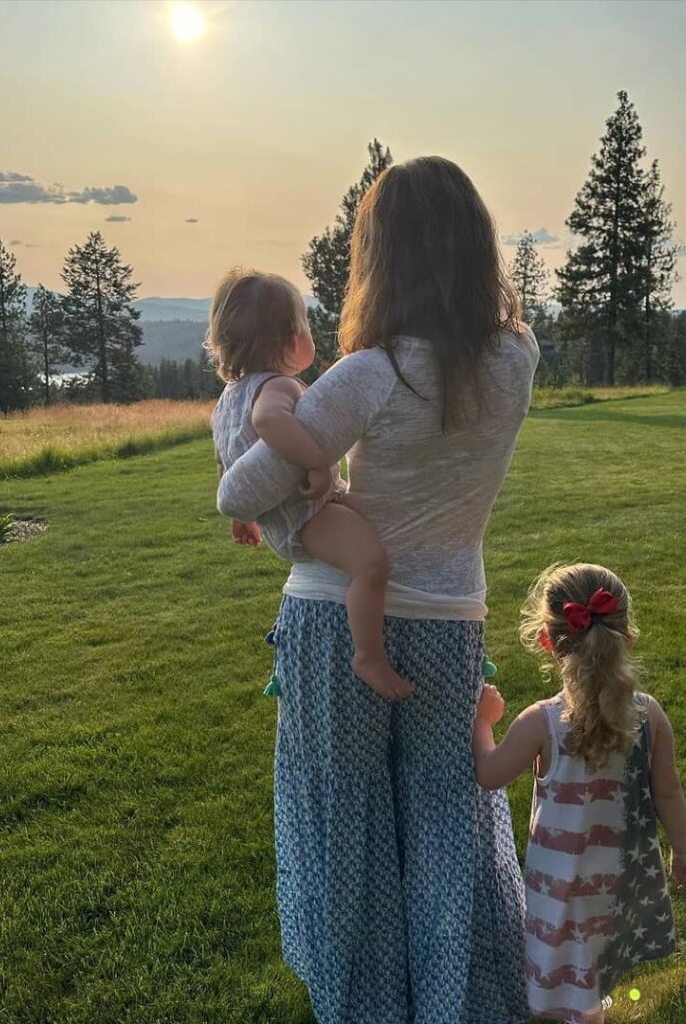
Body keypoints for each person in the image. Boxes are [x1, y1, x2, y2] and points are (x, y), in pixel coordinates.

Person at [216, 156, 539, 1023]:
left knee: (343, 825)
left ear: (379, 258)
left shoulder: (371, 372)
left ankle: (362, 1005)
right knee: (447, 817)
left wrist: (301, 477)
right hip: (448, 618)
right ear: (476, 246)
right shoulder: (518, 359)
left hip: (333, 618)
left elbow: (238, 492)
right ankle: (458, 1003)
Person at [473, 562, 686, 1024]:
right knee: (589, 972)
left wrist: (483, 721)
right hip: (613, 883)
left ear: (547, 641)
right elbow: (669, 793)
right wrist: (683, 850)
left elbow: (490, 774)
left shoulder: (541, 722)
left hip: (557, 889)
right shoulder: (648, 715)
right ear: (627, 639)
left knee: (550, 981)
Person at [208, 269, 412, 700]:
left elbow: (226, 460)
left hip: (281, 519)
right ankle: (368, 656)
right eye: (303, 323)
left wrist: (241, 518)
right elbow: (269, 421)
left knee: (371, 531)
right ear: (287, 339)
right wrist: (318, 464)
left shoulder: (226, 401)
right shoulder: (277, 385)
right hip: (308, 515)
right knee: (372, 565)